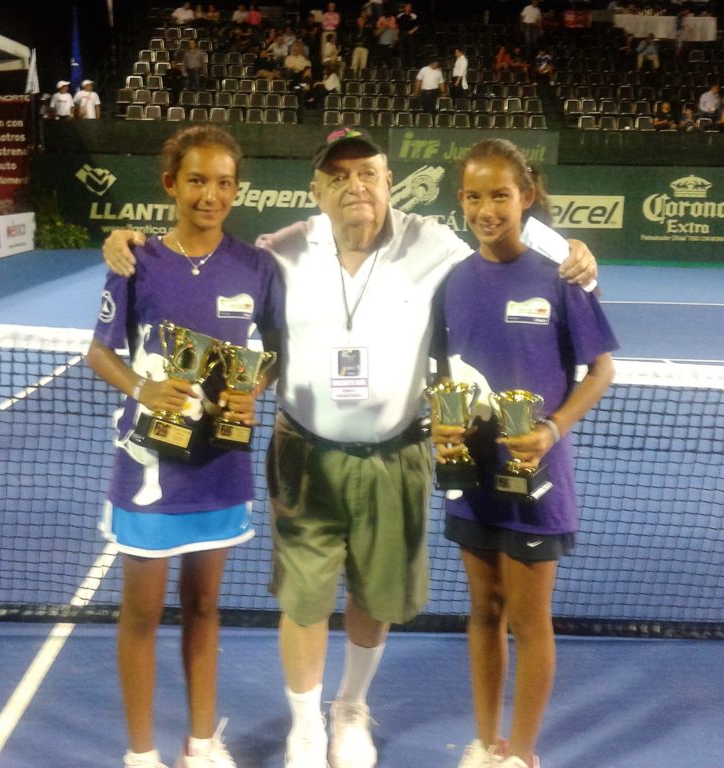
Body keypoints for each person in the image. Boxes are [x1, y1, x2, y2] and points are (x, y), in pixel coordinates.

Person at [99, 126, 598, 768]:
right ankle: (306, 726)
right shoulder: (278, 251)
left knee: (374, 593)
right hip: (305, 452)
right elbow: (245, 320)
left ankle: (351, 707)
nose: (354, 186)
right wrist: (126, 241)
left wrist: (572, 249)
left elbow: (505, 233)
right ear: (317, 190)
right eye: (338, 176)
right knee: (304, 598)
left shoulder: (435, 244)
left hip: (398, 453)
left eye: (368, 173)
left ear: (392, 182)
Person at [88, 126, 283, 768]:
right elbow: (99, 352)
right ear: (171, 184)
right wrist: (144, 388)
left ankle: (202, 743)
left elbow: (278, 352)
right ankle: (140, 753)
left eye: (224, 183)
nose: (211, 195)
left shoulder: (258, 267)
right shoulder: (136, 260)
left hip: (220, 467)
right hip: (148, 469)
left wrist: (256, 388)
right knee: (142, 611)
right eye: (198, 180)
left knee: (204, 606)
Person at [432, 138, 616, 768]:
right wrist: (442, 423)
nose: (488, 209)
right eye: (475, 196)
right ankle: (486, 744)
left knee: (528, 620)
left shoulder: (562, 277)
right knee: (483, 610)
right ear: (460, 201)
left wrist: (553, 429)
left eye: (501, 195)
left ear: (527, 198)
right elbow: (441, 374)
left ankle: (524, 754)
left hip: (539, 475)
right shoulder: (452, 283)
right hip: (472, 477)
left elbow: (601, 370)